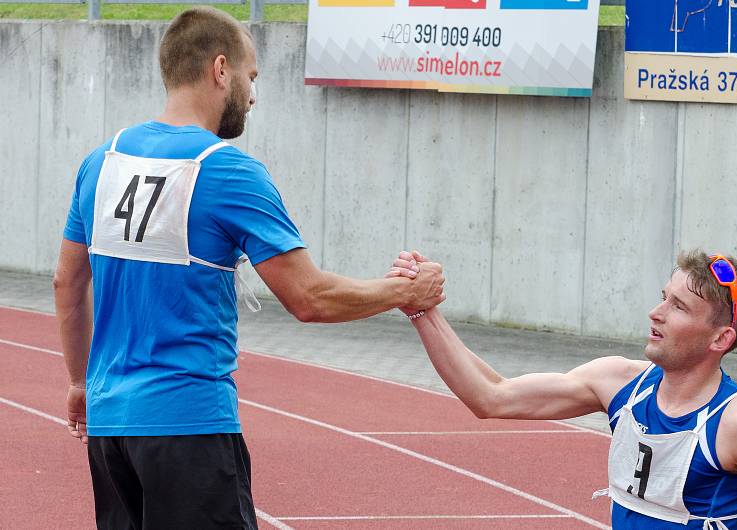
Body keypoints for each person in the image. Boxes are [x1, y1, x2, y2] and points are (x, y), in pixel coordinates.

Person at [52, 7, 445, 529]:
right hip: (189, 423)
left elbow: (67, 281)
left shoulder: (102, 161)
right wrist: (404, 290)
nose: (253, 94)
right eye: (251, 77)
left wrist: (80, 382)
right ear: (221, 70)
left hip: (110, 430)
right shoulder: (229, 170)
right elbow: (310, 298)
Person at [387, 249, 737, 529]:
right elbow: (490, 395)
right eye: (664, 297)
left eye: (678, 307)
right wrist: (422, 309)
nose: (655, 313)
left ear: (720, 340)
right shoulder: (619, 381)